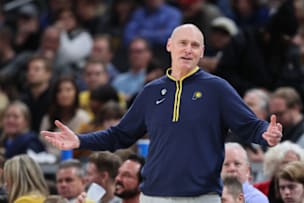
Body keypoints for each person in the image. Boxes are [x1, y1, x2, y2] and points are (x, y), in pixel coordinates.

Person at [42, 24, 283, 203]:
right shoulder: (150, 92)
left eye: (195, 45)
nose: (188, 49)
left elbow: (250, 125)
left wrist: (266, 133)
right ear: (169, 45)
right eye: (183, 43)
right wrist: (80, 140)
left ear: (202, 52)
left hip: (201, 197)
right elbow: (120, 135)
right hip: (152, 195)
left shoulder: (217, 88)